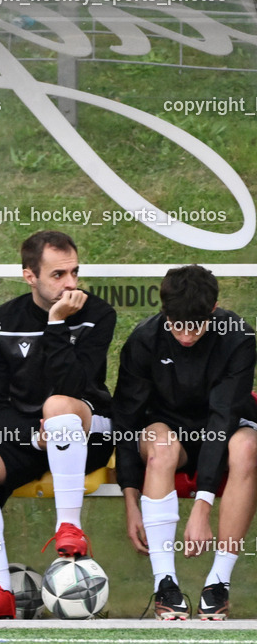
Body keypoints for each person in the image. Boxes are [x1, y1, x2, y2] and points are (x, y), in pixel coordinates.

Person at [0, 230, 116, 619]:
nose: (71, 283)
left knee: (59, 405)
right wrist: (31, 434)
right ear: (30, 276)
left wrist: (57, 324)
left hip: (86, 428)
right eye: (58, 275)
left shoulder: (98, 314)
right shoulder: (1, 322)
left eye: (74, 272)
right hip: (29, 435)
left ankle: (69, 528)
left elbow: (75, 385)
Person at [114, 265, 257, 620]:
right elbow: (127, 420)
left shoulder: (238, 337)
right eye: (177, 325)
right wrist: (130, 500)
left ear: (214, 309)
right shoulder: (144, 340)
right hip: (167, 432)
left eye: (195, 326)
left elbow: (222, 419)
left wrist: (202, 505)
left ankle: (217, 584)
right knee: (160, 446)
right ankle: (166, 584)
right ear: (165, 313)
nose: (186, 335)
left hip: (223, 430)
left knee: (247, 447)